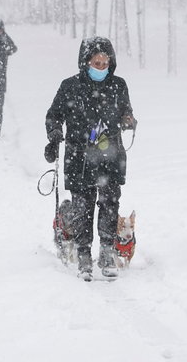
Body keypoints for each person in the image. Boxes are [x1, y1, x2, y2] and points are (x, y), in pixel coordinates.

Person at [44, 36, 136, 281]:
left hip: (110, 155)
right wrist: (54, 136)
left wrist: (128, 119)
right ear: (85, 62)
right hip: (79, 157)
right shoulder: (70, 87)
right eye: (96, 63)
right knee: (82, 208)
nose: (101, 68)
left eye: (105, 63)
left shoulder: (119, 85)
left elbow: (126, 109)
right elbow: (54, 115)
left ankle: (106, 252)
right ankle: (84, 255)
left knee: (109, 204)